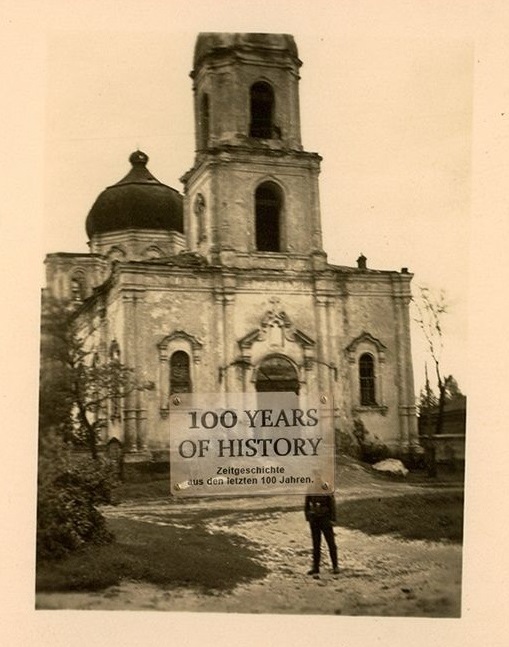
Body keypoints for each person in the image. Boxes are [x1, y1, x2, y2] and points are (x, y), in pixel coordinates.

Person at [305, 492, 339, 577]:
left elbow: (332, 504)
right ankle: (316, 568)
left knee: (331, 543)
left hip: (325, 519)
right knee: (316, 544)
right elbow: (307, 503)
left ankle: (335, 566)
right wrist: (308, 516)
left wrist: (333, 519)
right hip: (314, 520)